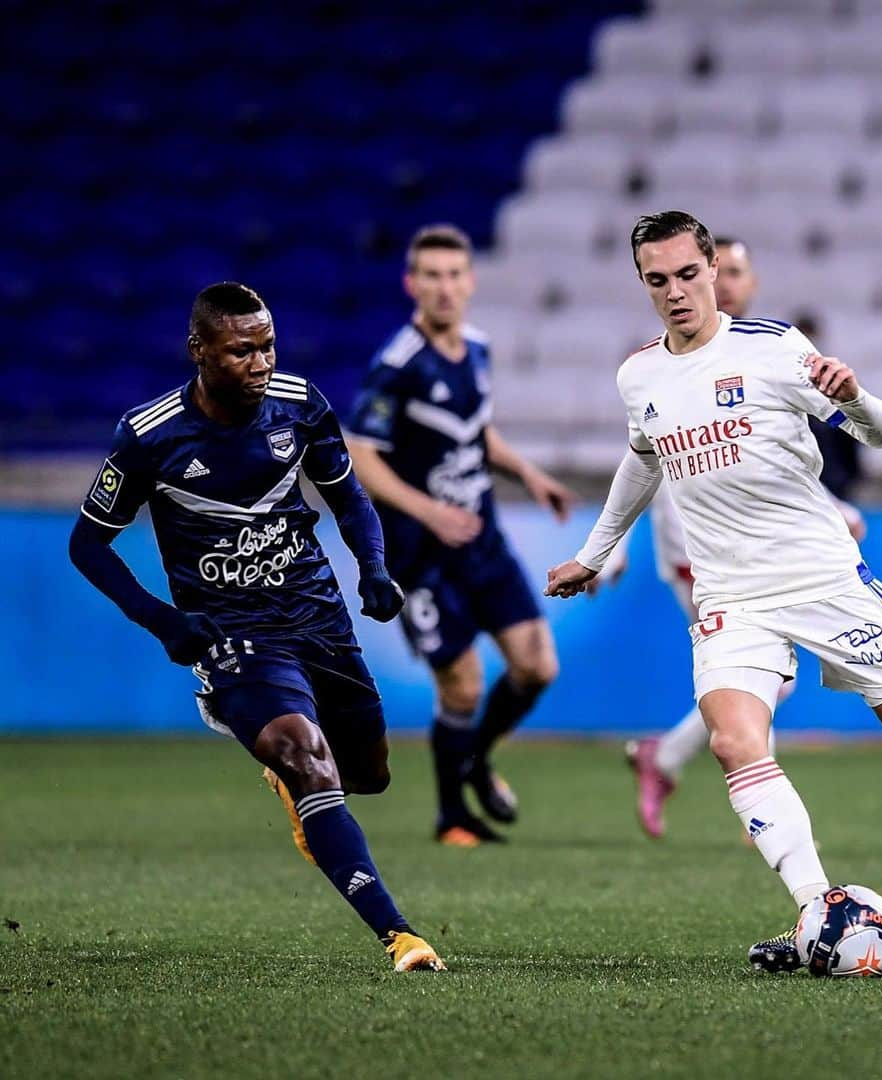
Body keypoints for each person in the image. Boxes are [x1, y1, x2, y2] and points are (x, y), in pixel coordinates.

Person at [545, 211, 882, 972]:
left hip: (823, 576)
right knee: (735, 740)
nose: (675, 293)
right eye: (656, 280)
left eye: (687, 275)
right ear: (643, 283)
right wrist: (594, 554)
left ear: (713, 270)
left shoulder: (772, 349)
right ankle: (816, 910)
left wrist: (856, 396)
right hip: (731, 593)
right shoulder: (640, 375)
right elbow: (643, 461)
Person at [69, 282, 445, 973]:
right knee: (305, 755)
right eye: (241, 350)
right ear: (200, 352)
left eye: (267, 344)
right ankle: (400, 936)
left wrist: (373, 569)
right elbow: (87, 545)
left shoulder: (301, 407)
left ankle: (293, 784)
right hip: (232, 634)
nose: (260, 361)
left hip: (317, 615)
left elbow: (349, 496)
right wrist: (163, 622)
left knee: (369, 774)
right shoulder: (150, 436)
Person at [604, 238, 866, 838]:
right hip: (700, 551)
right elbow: (644, 459)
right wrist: (610, 545)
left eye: (731, 273)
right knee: (764, 674)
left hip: (761, 548)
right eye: (674, 278)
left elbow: (770, 466)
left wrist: (833, 506)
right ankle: (756, 813)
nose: (716, 288)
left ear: (739, 280)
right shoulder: (662, 365)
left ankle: (681, 767)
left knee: (765, 677)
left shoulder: (767, 354)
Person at [345, 224, 575, 847]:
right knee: (464, 681)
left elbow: (475, 431)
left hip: (482, 538)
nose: (444, 288)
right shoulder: (397, 366)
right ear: (411, 284)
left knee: (536, 665)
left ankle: (473, 757)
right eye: (431, 276)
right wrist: (428, 511)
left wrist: (526, 472)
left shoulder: (476, 349)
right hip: (421, 553)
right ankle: (452, 816)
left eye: (454, 275)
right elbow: (361, 454)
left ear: (470, 282)